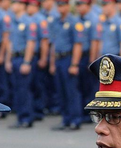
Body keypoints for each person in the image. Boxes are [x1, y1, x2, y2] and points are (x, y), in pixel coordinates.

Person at [49, 0, 86, 130]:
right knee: (61, 91)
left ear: (68, 6)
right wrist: (52, 63)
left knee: (72, 91)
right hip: (58, 59)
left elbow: (78, 44)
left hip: (68, 58)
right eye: (58, 5)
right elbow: (54, 43)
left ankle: (75, 120)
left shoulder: (75, 22)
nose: (60, 8)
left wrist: (74, 64)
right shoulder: (56, 22)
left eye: (63, 5)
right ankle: (66, 119)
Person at [6, 0, 39, 128]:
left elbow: (31, 43)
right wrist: (8, 60)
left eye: (15, 3)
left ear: (21, 5)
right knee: (17, 89)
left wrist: (27, 62)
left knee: (24, 89)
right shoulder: (13, 21)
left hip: (23, 58)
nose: (12, 6)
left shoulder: (29, 22)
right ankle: (21, 117)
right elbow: (10, 43)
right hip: (15, 58)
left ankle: (26, 118)